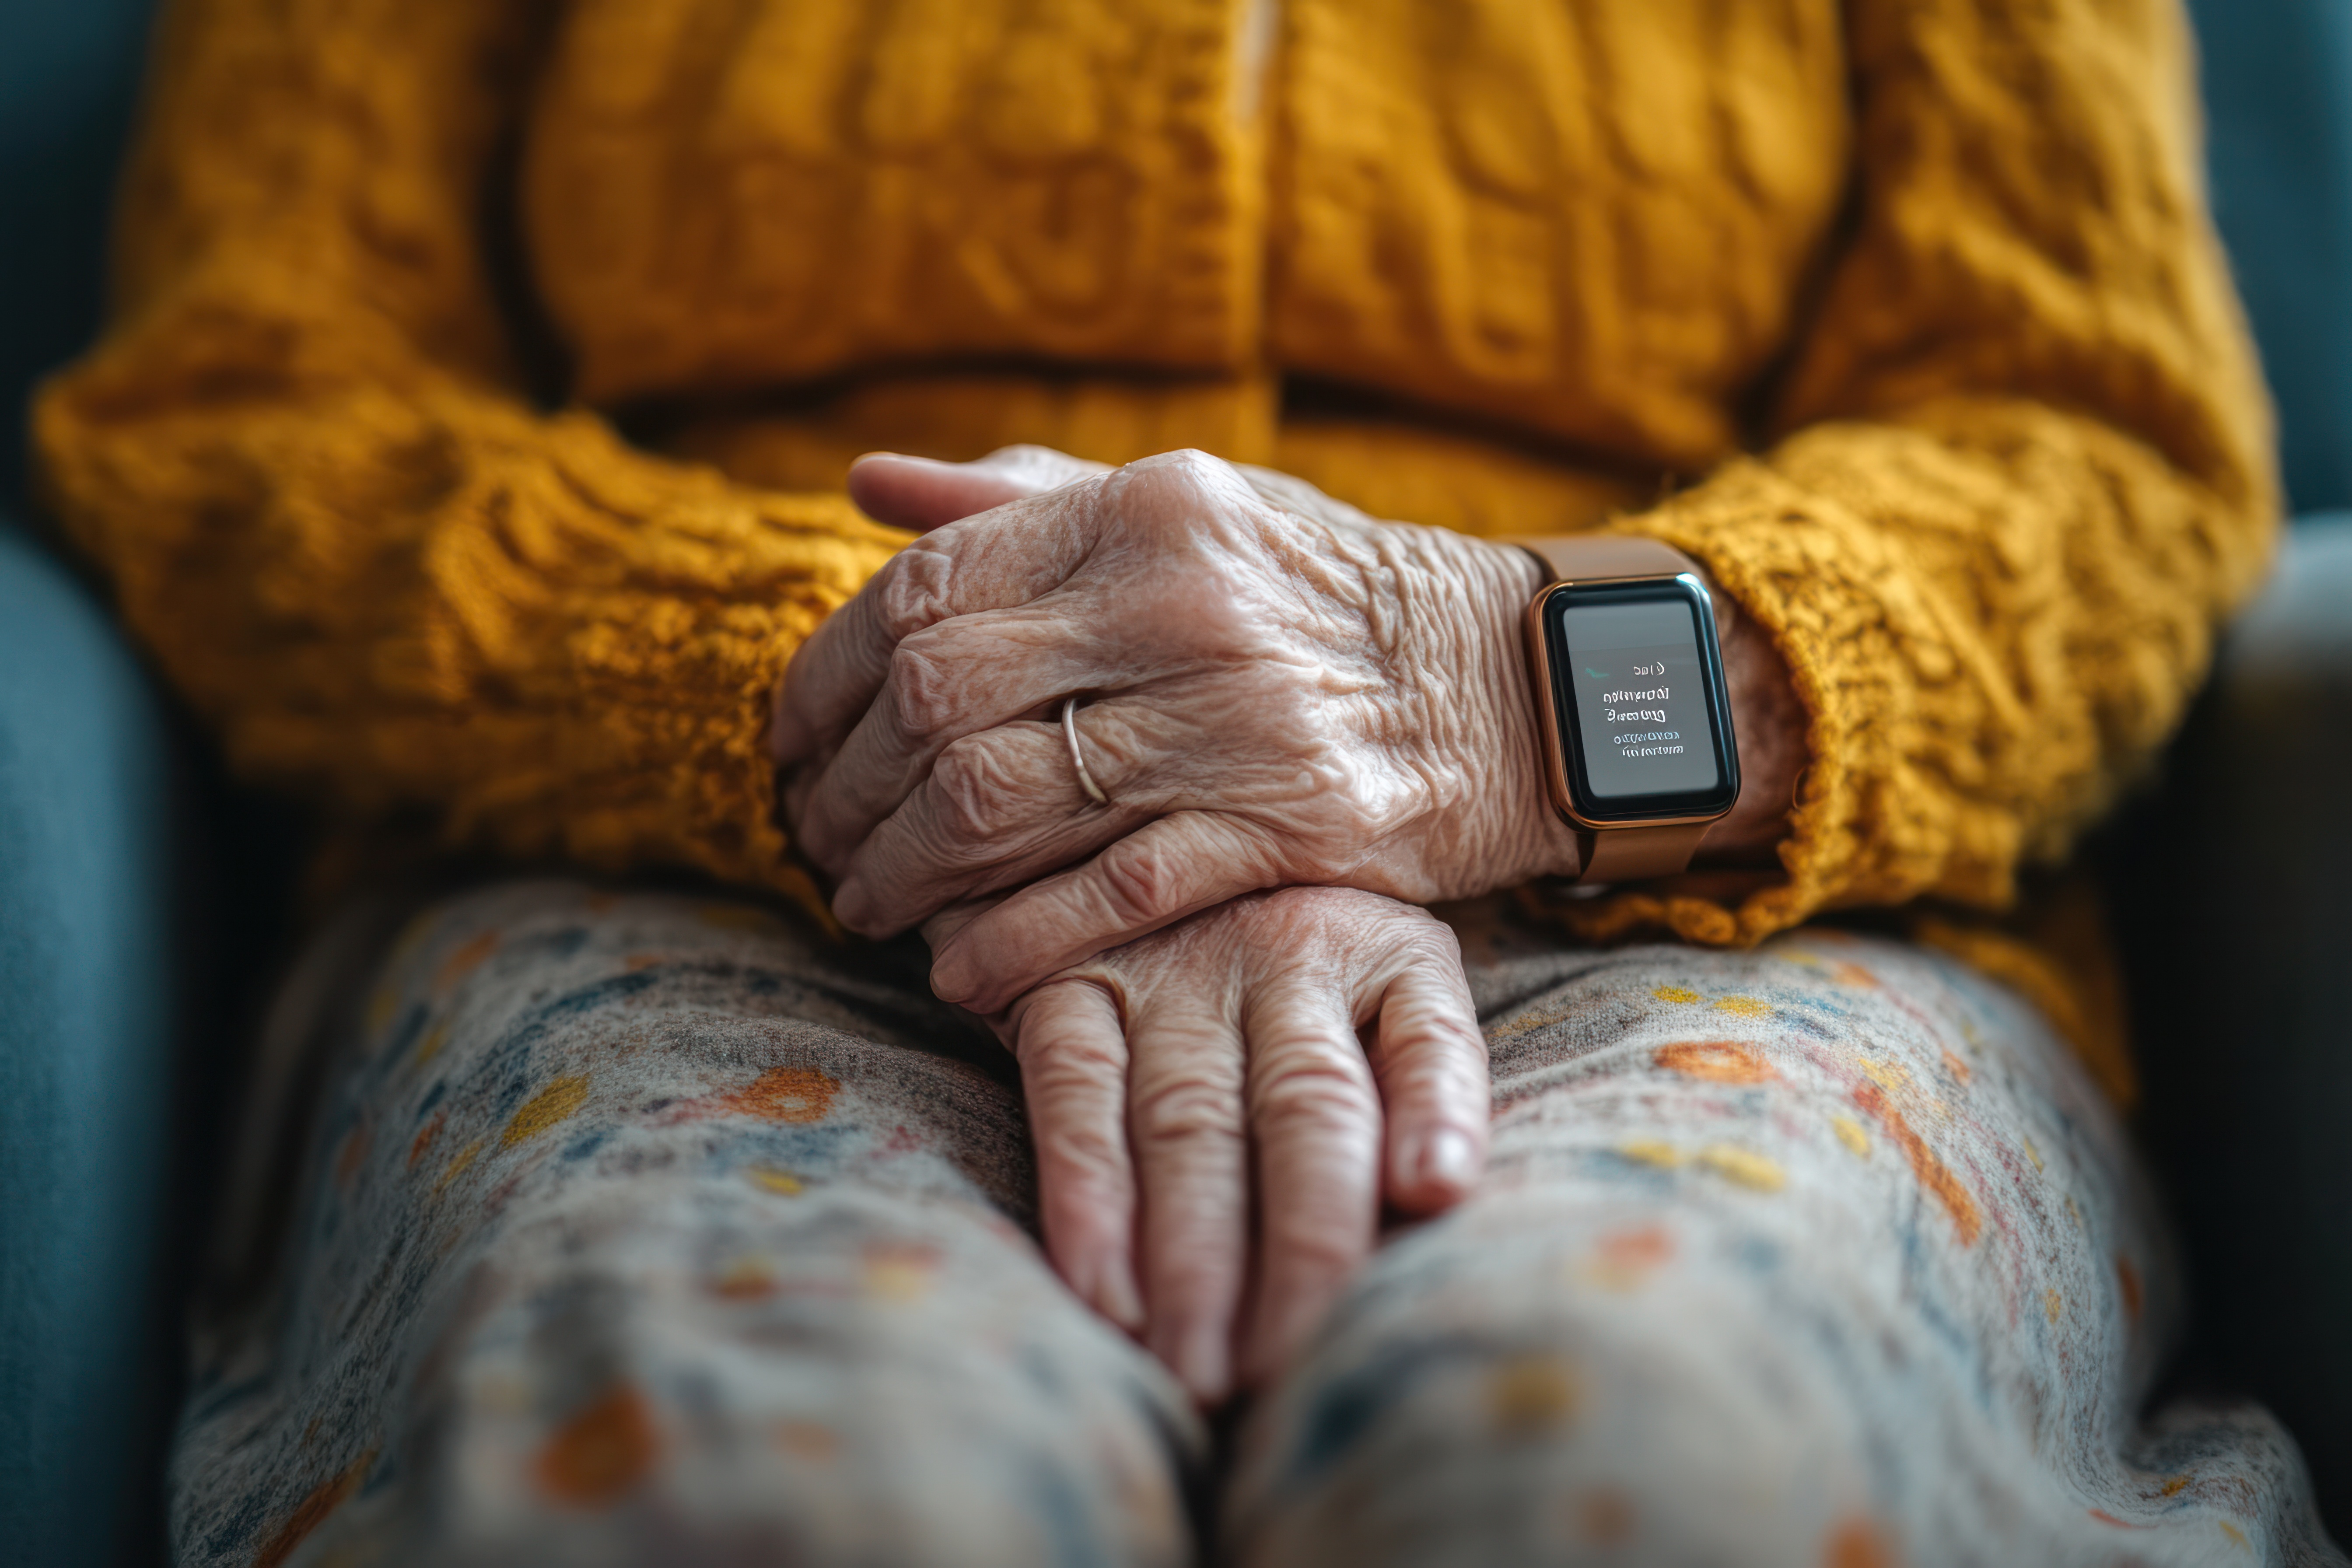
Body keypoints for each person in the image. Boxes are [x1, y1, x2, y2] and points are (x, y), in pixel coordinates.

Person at [29, 0, 2345, 1562]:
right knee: (798, 1475)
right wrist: (940, 704)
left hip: (1702, 891)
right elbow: (250, 413)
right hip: (696, 863)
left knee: (1623, 1443)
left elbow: (2097, 450)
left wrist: (1515, 694)